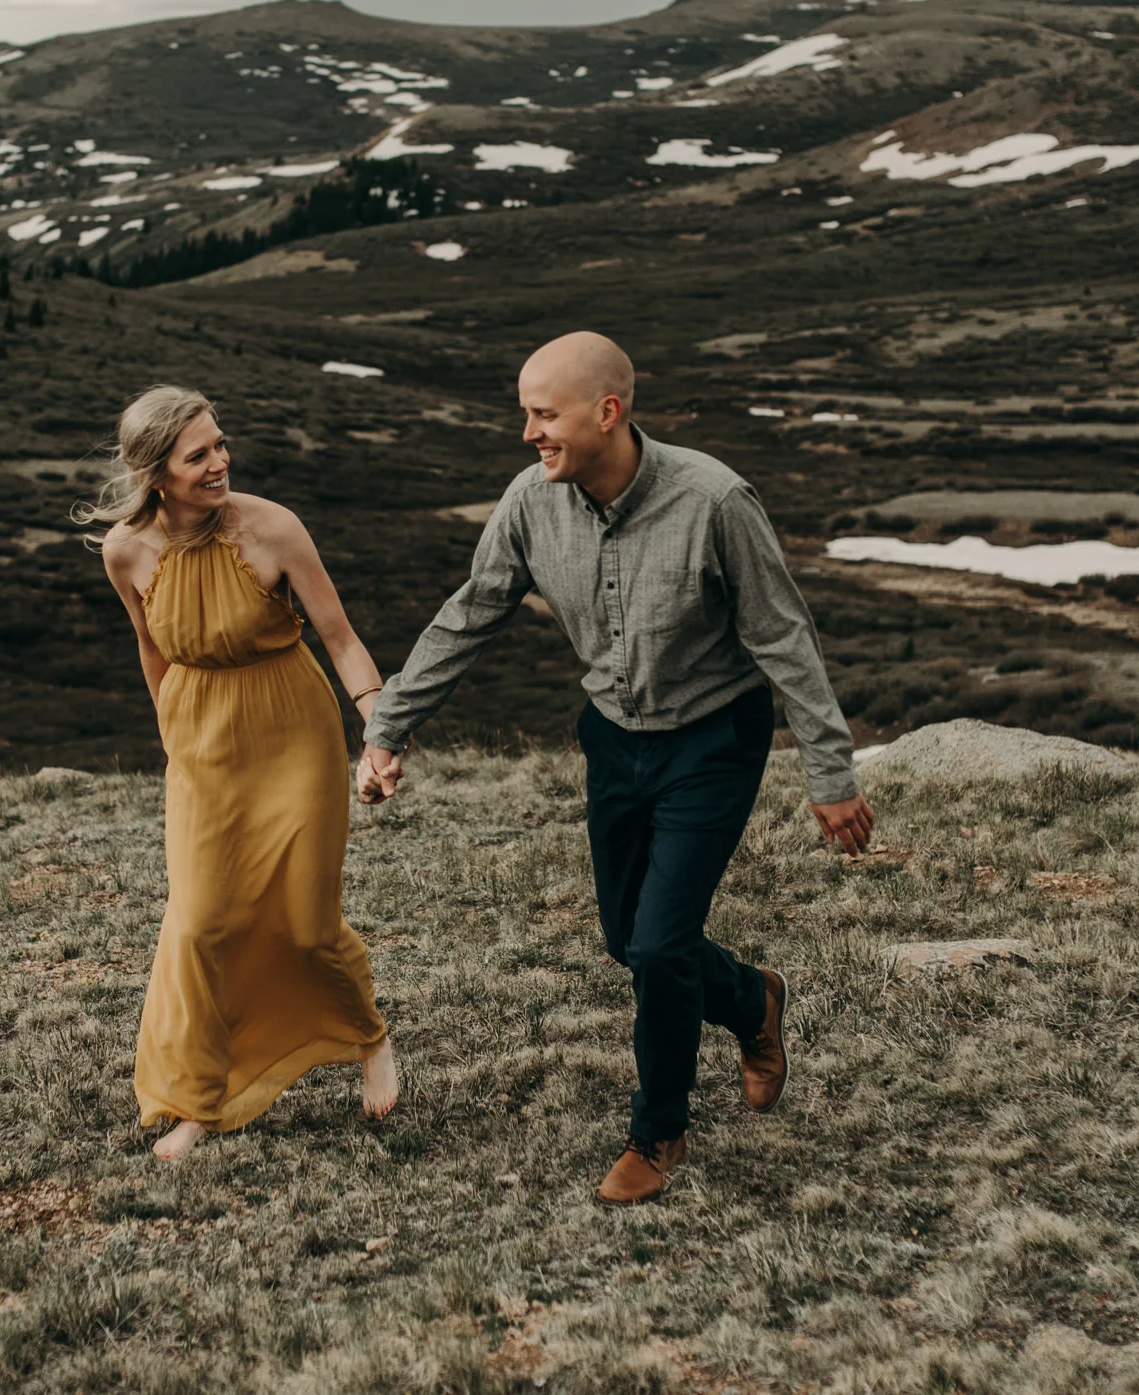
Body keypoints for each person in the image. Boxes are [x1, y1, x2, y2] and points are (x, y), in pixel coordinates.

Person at [359, 332, 874, 1204]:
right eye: (525, 413)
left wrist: (829, 772)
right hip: (613, 737)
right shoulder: (531, 501)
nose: (528, 433)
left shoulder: (715, 500)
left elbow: (784, 637)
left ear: (608, 412)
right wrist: (390, 723)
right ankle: (753, 1002)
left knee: (661, 941)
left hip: (713, 742)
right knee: (627, 940)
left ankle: (659, 1131)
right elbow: (470, 613)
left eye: (543, 414)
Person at [84, 385, 399, 1161]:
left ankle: (369, 1036)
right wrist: (174, 735)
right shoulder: (124, 550)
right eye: (200, 455)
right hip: (201, 746)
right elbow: (153, 648)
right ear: (158, 473)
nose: (221, 462)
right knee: (199, 924)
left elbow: (342, 639)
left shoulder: (272, 529)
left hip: (293, 733)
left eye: (221, 444)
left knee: (302, 921)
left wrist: (381, 731)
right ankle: (199, 1100)